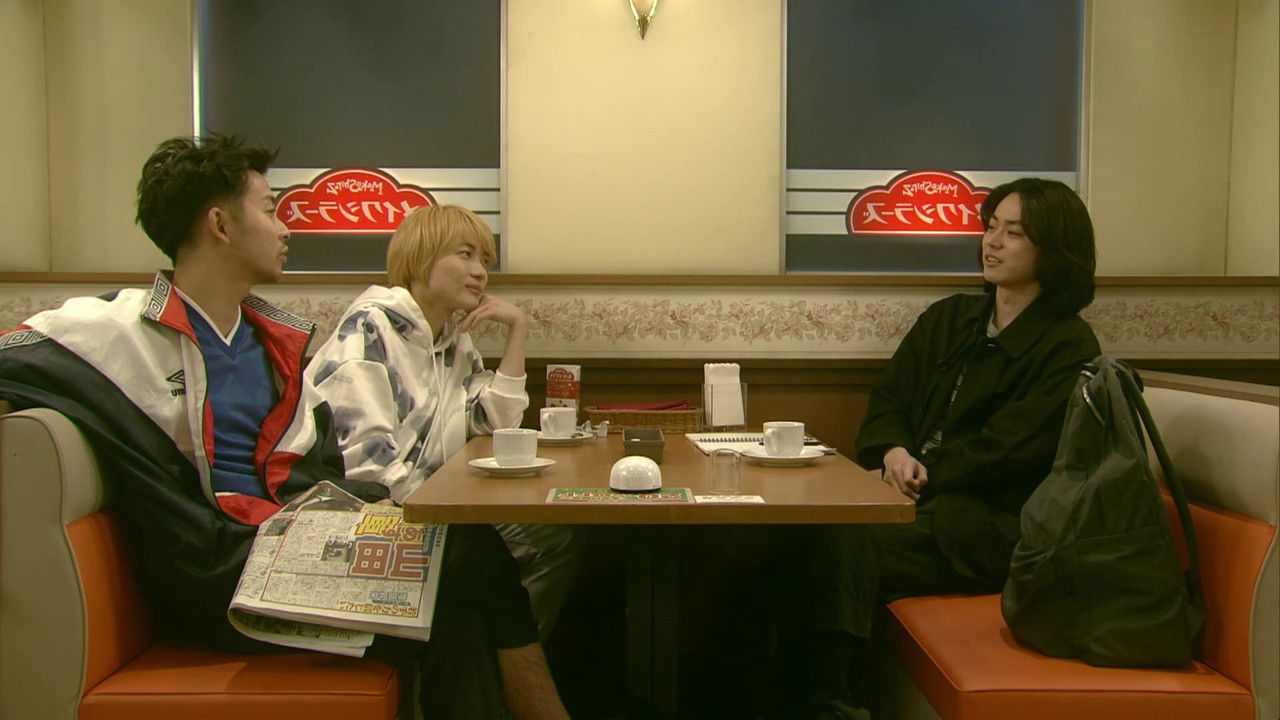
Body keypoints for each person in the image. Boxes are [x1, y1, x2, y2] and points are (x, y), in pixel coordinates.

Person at [0, 135, 569, 719]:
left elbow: (319, 470)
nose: (285, 227)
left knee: (462, 602)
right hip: (218, 573)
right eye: (270, 210)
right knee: (473, 555)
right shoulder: (121, 330)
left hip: (288, 543)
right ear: (220, 225)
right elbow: (15, 356)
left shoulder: (269, 338)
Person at [779, 177, 1102, 720]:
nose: (992, 242)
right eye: (991, 227)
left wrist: (920, 473)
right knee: (796, 534)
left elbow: (1011, 448)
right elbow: (889, 401)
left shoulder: (1069, 346)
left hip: (985, 527)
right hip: (908, 499)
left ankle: (835, 703)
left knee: (842, 542)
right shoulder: (950, 318)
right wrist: (892, 453)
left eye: (1014, 232)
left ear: (1054, 249)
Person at [304, 204, 582, 640]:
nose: (480, 272)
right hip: (373, 517)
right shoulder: (369, 330)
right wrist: (443, 515)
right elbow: (366, 466)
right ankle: (487, 657)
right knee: (536, 544)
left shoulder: (452, 340)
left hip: (430, 508)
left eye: (485, 260)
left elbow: (494, 420)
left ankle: (488, 657)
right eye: (465, 255)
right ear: (420, 258)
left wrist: (517, 328)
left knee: (553, 536)